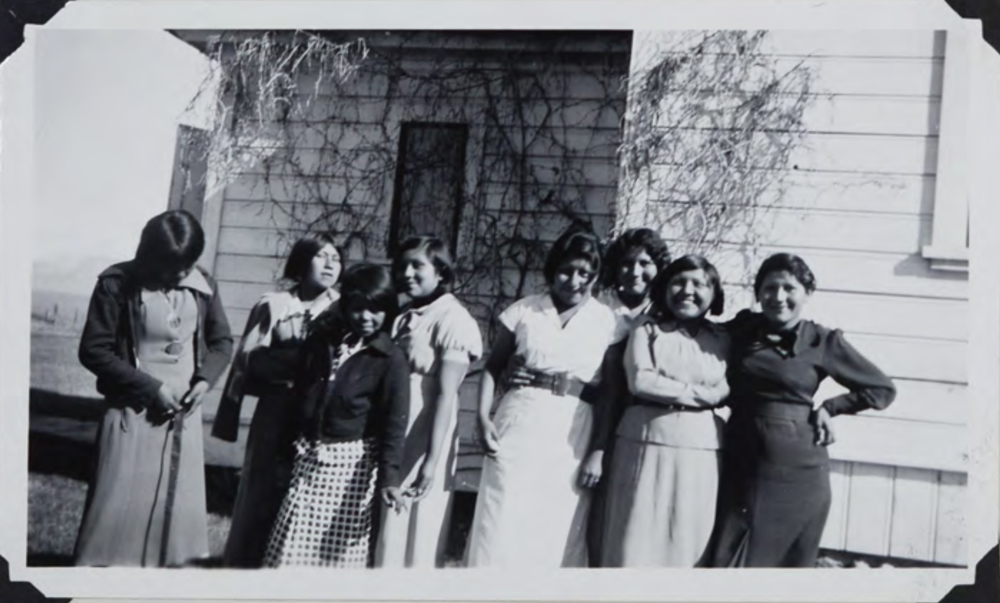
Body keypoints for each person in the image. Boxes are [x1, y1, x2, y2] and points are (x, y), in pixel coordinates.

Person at [705, 253, 896, 568]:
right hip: (741, 460)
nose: (778, 297)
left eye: (788, 288)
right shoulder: (742, 328)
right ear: (758, 292)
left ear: (807, 293)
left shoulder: (822, 340)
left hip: (798, 475)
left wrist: (830, 407)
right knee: (730, 560)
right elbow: (698, 337)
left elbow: (881, 389)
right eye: (769, 288)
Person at [74, 209, 234, 567]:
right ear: (151, 255)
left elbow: (222, 342)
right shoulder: (116, 283)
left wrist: (204, 380)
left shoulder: (203, 284)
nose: (182, 273)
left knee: (177, 512)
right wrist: (150, 388)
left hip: (184, 419)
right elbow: (93, 350)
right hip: (132, 413)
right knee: (119, 507)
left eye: (188, 264)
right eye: (174, 266)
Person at [465, 227, 618, 568]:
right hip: (520, 422)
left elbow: (608, 392)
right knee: (502, 515)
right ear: (552, 270)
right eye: (566, 270)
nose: (574, 280)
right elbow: (492, 368)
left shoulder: (607, 321)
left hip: (572, 431)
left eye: (585, 274)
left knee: (557, 522)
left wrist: (598, 450)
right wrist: (482, 418)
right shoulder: (525, 311)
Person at [263, 263, 410, 568]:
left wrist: (389, 480)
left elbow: (394, 427)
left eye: (375, 310)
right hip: (307, 459)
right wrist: (283, 453)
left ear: (388, 310)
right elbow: (299, 397)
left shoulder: (390, 359)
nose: (366, 318)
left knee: (335, 559)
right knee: (288, 545)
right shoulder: (322, 343)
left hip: (349, 469)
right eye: (357, 308)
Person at [213, 234, 343, 568]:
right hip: (276, 413)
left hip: (319, 417)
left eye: (336, 258)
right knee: (263, 492)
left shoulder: (344, 309)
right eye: (321, 256)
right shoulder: (274, 305)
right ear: (301, 262)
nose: (331, 264)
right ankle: (245, 570)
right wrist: (297, 361)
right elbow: (249, 361)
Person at [601, 255, 730, 567]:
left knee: (687, 536)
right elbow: (641, 381)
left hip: (702, 450)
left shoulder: (723, 339)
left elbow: (728, 388)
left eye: (698, 283)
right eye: (678, 282)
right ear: (664, 288)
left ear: (714, 293)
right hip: (643, 442)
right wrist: (702, 395)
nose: (687, 290)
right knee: (635, 535)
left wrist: (677, 390)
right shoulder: (646, 331)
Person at [374, 236, 483, 568]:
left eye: (417, 265)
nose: (407, 273)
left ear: (440, 271)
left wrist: (432, 460)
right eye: (402, 265)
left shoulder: (453, 319)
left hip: (423, 431)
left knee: (414, 524)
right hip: (393, 426)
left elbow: (446, 395)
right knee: (386, 521)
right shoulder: (404, 314)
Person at [586, 227, 670, 566]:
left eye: (645, 263)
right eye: (626, 263)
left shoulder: (668, 313)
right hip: (597, 416)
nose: (635, 271)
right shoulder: (598, 312)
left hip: (645, 421)